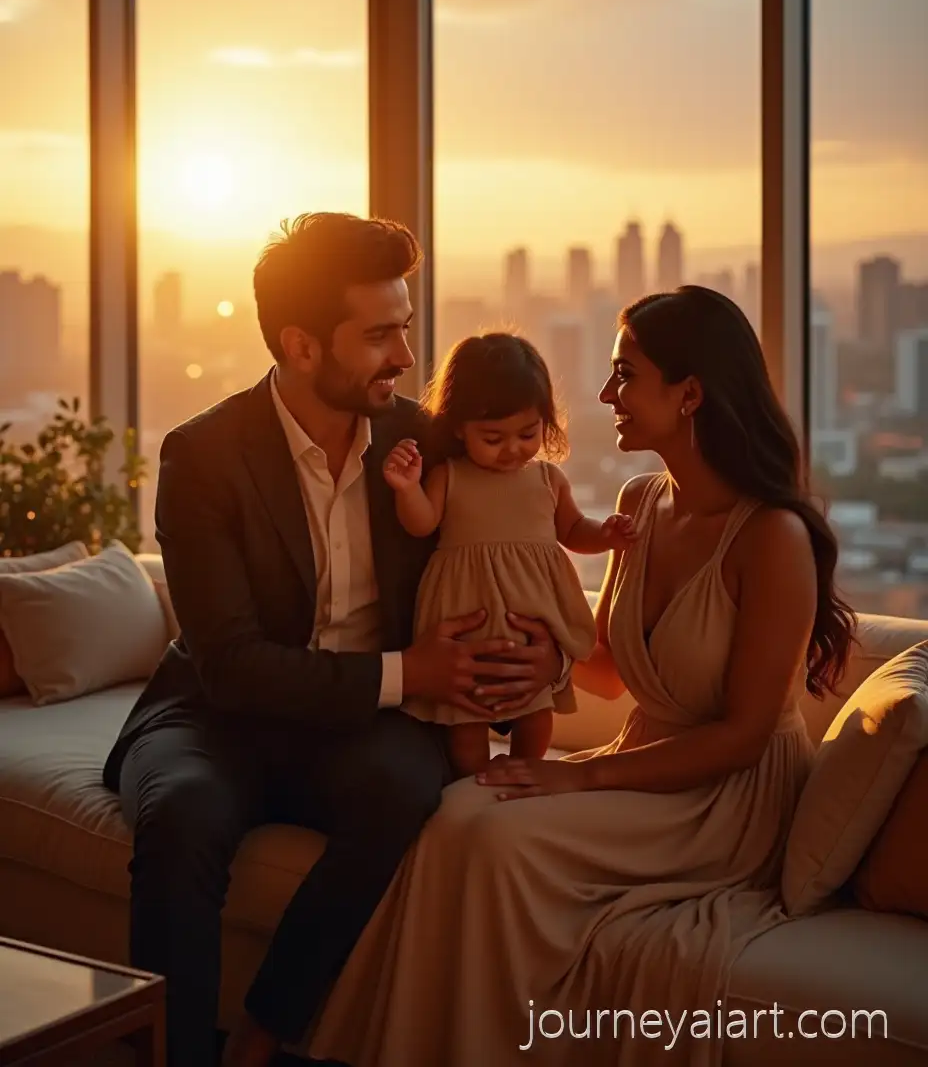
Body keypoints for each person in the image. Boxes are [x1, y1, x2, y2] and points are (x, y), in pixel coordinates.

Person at [308, 285, 857, 1067]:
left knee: (487, 834)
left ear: (690, 394)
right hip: (644, 767)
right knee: (457, 812)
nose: (604, 395)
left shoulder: (773, 537)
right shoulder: (640, 503)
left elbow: (742, 738)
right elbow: (603, 675)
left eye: (626, 375)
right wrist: (543, 659)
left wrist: (580, 777)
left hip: (726, 801)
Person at [101, 213, 568, 1067]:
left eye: (406, 327)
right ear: (302, 345)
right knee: (183, 816)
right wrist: (410, 672)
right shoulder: (203, 456)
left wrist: (539, 660)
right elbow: (230, 665)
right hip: (214, 715)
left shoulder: (425, 444)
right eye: (381, 335)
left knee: (404, 790)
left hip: (364, 727)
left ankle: (263, 1035)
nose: (406, 356)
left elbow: (507, 562)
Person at [383, 332, 638, 776]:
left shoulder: (547, 480)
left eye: (527, 433)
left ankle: (524, 772)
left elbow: (573, 530)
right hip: (468, 621)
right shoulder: (451, 475)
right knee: (465, 719)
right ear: (459, 428)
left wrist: (605, 534)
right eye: (493, 438)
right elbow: (421, 523)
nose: (512, 449)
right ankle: (474, 780)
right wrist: (406, 489)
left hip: (530, 621)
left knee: (536, 713)